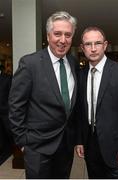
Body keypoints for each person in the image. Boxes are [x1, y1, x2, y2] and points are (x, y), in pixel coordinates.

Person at [9, 11, 78, 179]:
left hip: (65, 147)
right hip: (37, 147)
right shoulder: (30, 63)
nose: (63, 40)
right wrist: (23, 141)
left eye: (68, 35)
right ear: (48, 36)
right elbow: (15, 105)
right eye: (57, 34)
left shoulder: (73, 63)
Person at [75, 26, 118, 179]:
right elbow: (80, 112)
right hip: (90, 146)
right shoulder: (81, 75)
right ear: (82, 48)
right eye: (88, 44)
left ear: (105, 45)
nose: (93, 48)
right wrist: (79, 140)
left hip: (116, 149)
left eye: (97, 43)